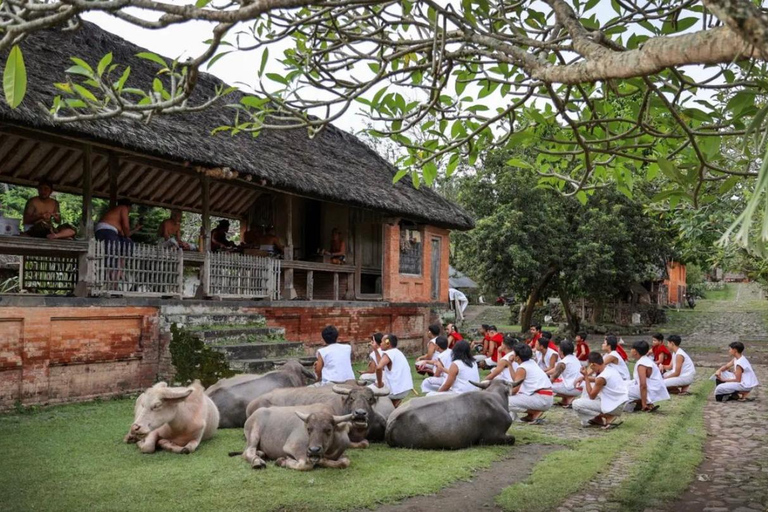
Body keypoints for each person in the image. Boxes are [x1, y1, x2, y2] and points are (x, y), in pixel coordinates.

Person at [572, 352, 629, 428]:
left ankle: (607, 416)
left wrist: (585, 376)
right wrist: (583, 378)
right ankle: (597, 418)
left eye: (592, 368)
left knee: (576, 404)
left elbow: (592, 395)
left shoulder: (602, 377)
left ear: (594, 365)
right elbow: (596, 380)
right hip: (619, 402)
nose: (592, 371)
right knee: (587, 386)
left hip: (614, 406)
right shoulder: (610, 369)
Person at [506, 343, 553, 423]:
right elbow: (516, 380)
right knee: (512, 397)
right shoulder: (531, 362)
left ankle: (534, 412)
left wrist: (499, 394)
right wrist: (510, 365)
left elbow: (514, 390)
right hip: (546, 397)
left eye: (514, 354)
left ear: (517, 357)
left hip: (541, 398)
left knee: (504, 401)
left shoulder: (522, 368)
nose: (512, 355)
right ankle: (532, 413)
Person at [627, 340, 670, 412]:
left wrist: (644, 404)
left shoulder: (642, 364)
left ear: (635, 351)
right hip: (654, 388)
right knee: (625, 384)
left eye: (631, 349)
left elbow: (643, 385)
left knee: (621, 392)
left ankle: (643, 403)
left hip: (650, 390)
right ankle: (641, 402)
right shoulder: (646, 360)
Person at [371, 334, 413, 407]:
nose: (380, 344)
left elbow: (378, 368)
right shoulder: (396, 352)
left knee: (367, 391)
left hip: (396, 391)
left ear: (388, 343)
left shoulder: (388, 353)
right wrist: (375, 350)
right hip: (405, 388)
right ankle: (394, 406)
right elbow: (381, 365)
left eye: (382, 342)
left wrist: (380, 384)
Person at [550, 340, 583, 407]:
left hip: (571, 389)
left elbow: (553, 378)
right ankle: (565, 399)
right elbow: (555, 369)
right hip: (579, 388)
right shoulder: (574, 358)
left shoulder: (563, 362)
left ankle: (569, 397)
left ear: (561, 351)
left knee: (545, 385)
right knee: (561, 380)